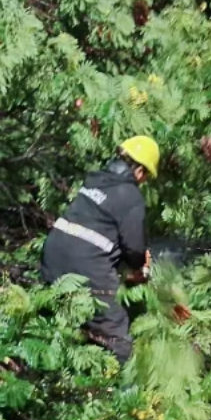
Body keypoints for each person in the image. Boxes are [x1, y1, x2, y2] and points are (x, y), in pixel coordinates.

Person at [40, 135, 160, 364]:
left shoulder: (95, 179)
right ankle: (119, 394)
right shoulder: (131, 196)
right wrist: (140, 268)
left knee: (61, 324)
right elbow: (134, 250)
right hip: (87, 268)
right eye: (145, 175)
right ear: (139, 170)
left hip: (52, 257)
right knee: (117, 341)